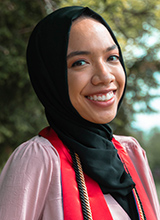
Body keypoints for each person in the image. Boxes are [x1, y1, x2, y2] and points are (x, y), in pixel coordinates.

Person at [0, 6, 159, 220]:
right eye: (80, 62)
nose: (104, 76)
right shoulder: (39, 159)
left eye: (112, 57)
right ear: (51, 76)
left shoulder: (131, 154)